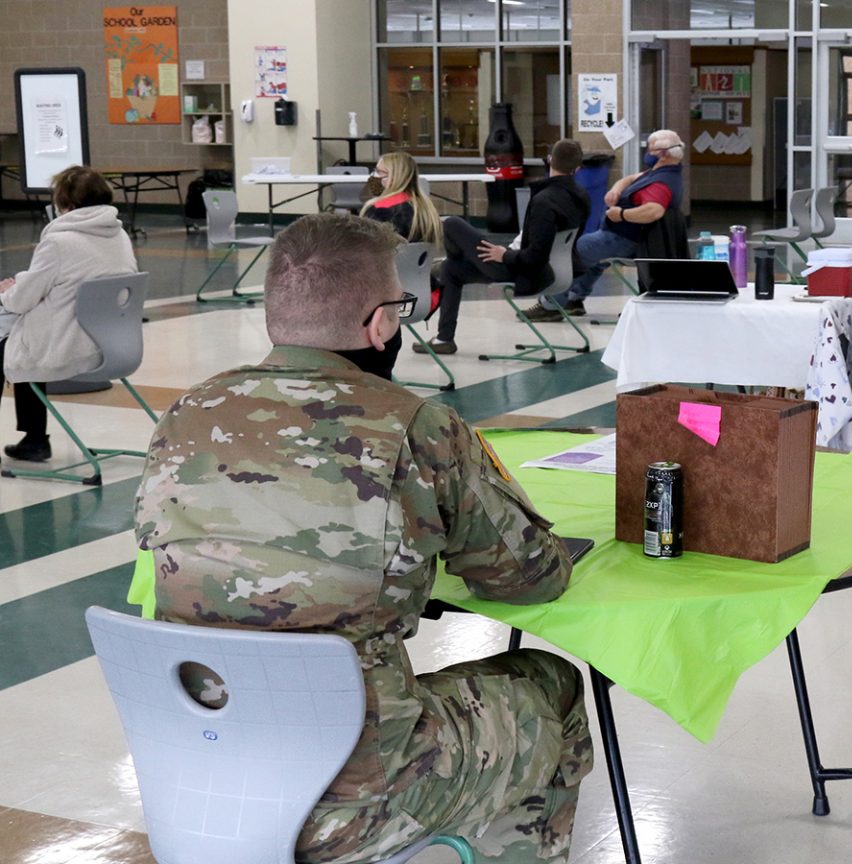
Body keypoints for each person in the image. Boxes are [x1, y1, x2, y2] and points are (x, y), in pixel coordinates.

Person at [134, 212, 592, 864]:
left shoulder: (185, 415)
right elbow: (532, 577)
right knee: (551, 684)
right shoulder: (418, 426)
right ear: (380, 324)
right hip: (355, 800)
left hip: (207, 773)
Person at [0, 165, 136, 463]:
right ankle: (33, 439)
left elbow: (20, 301)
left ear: (67, 206)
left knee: (11, 340)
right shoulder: (119, 235)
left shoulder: (59, 241)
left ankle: (36, 438)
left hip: (68, 349)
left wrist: (8, 290)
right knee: (21, 341)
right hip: (115, 347)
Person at [419, 139, 593, 354]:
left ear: (549, 161)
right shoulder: (582, 197)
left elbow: (536, 256)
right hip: (556, 270)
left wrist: (505, 256)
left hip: (526, 271)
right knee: (451, 271)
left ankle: (450, 259)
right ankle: (444, 339)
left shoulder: (545, 201)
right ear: (577, 168)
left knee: (453, 224)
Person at [526, 129, 686, 322]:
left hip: (626, 239)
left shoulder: (661, 183)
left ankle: (550, 305)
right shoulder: (663, 171)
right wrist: (617, 188)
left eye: (651, 150)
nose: (648, 153)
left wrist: (622, 214)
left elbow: (654, 210)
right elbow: (632, 178)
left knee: (572, 251)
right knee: (595, 256)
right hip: (621, 235)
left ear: (663, 153)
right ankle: (574, 300)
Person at [360, 151, 443, 249]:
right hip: (419, 263)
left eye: (379, 172)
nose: (374, 176)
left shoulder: (378, 210)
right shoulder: (425, 208)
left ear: (394, 177)